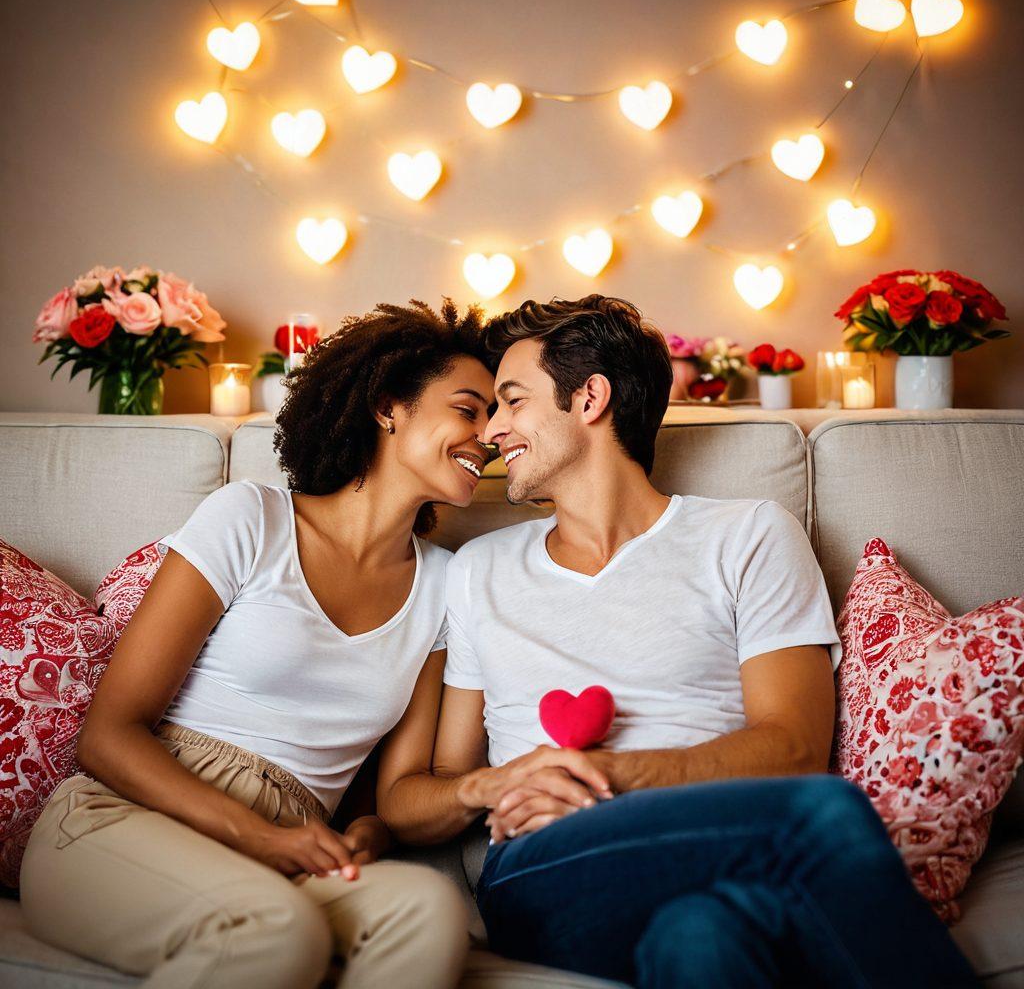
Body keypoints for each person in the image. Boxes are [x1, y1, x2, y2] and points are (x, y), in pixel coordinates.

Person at [377, 295, 979, 988]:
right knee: (821, 815)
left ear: (590, 399)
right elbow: (421, 794)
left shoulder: (748, 535)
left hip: (717, 844)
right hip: (546, 868)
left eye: (512, 402)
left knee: (701, 941)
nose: (494, 429)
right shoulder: (482, 571)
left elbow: (793, 746)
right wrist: (502, 781)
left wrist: (605, 775)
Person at [20, 300, 496, 989]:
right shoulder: (251, 518)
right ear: (390, 406)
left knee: (428, 909)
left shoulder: (444, 586)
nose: (489, 433)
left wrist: (370, 831)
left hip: (295, 847)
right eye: (468, 409)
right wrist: (263, 838)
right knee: (277, 928)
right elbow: (108, 736)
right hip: (125, 822)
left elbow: (393, 791)